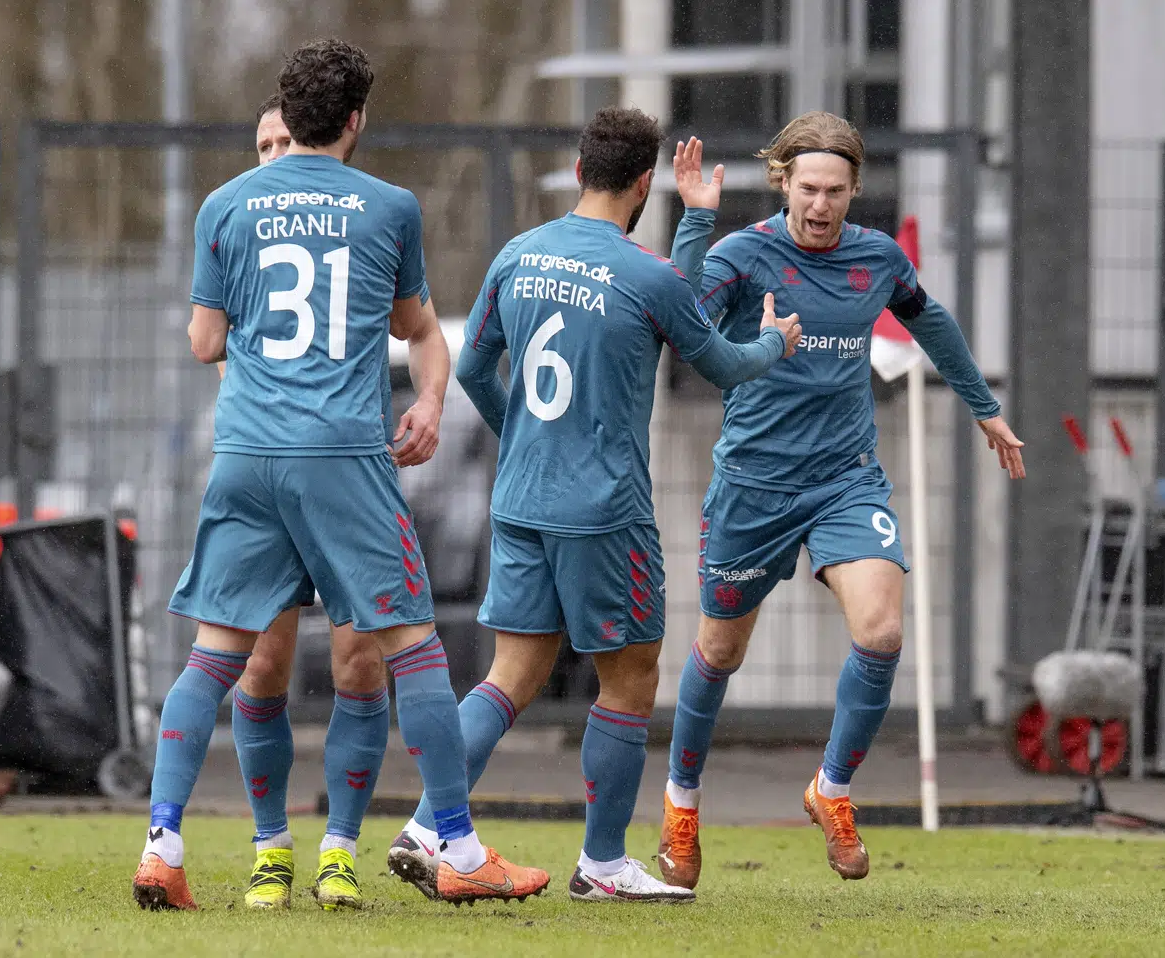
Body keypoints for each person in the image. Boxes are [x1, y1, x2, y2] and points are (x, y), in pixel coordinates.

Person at [132, 38, 548, 913]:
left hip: (245, 452)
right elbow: (414, 322)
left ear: (292, 108)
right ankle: (459, 846)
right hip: (341, 453)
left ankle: (164, 845)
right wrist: (420, 399)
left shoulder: (224, 206)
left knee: (215, 653)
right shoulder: (388, 207)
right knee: (415, 645)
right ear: (358, 119)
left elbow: (206, 343)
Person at [385, 106, 803, 904]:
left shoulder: (519, 253)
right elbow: (720, 361)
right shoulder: (645, 273)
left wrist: (526, 439)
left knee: (512, 671)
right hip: (604, 510)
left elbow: (474, 371)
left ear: (579, 172)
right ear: (645, 184)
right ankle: (603, 863)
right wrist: (777, 342)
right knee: (632, 677)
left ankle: (429, 823)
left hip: (523, 499)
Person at [656, 115, 1026, 889]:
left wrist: (982, 404)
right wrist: (694, 217)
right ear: (783, 183)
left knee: (883, 629)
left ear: (855, 191)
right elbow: (680, 310)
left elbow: (931, 321)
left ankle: (832, 789)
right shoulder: (744, 254)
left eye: (835, 191)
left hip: (845, 479)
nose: (820, 205)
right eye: (807, 188)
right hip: (754, 486)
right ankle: (681, 805)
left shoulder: (877, 258)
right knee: (721, 650)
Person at [218, 93, 446, 911]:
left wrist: (430, 399)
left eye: (288, 138)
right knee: (262, 662)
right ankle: (270, 846)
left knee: (361, 661)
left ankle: (340, 846)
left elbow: (421, 329)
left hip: (351, 469)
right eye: (262, 144)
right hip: (272, 479)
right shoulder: (238, 227)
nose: (277, 155)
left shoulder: (372, 219)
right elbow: (214, 347)